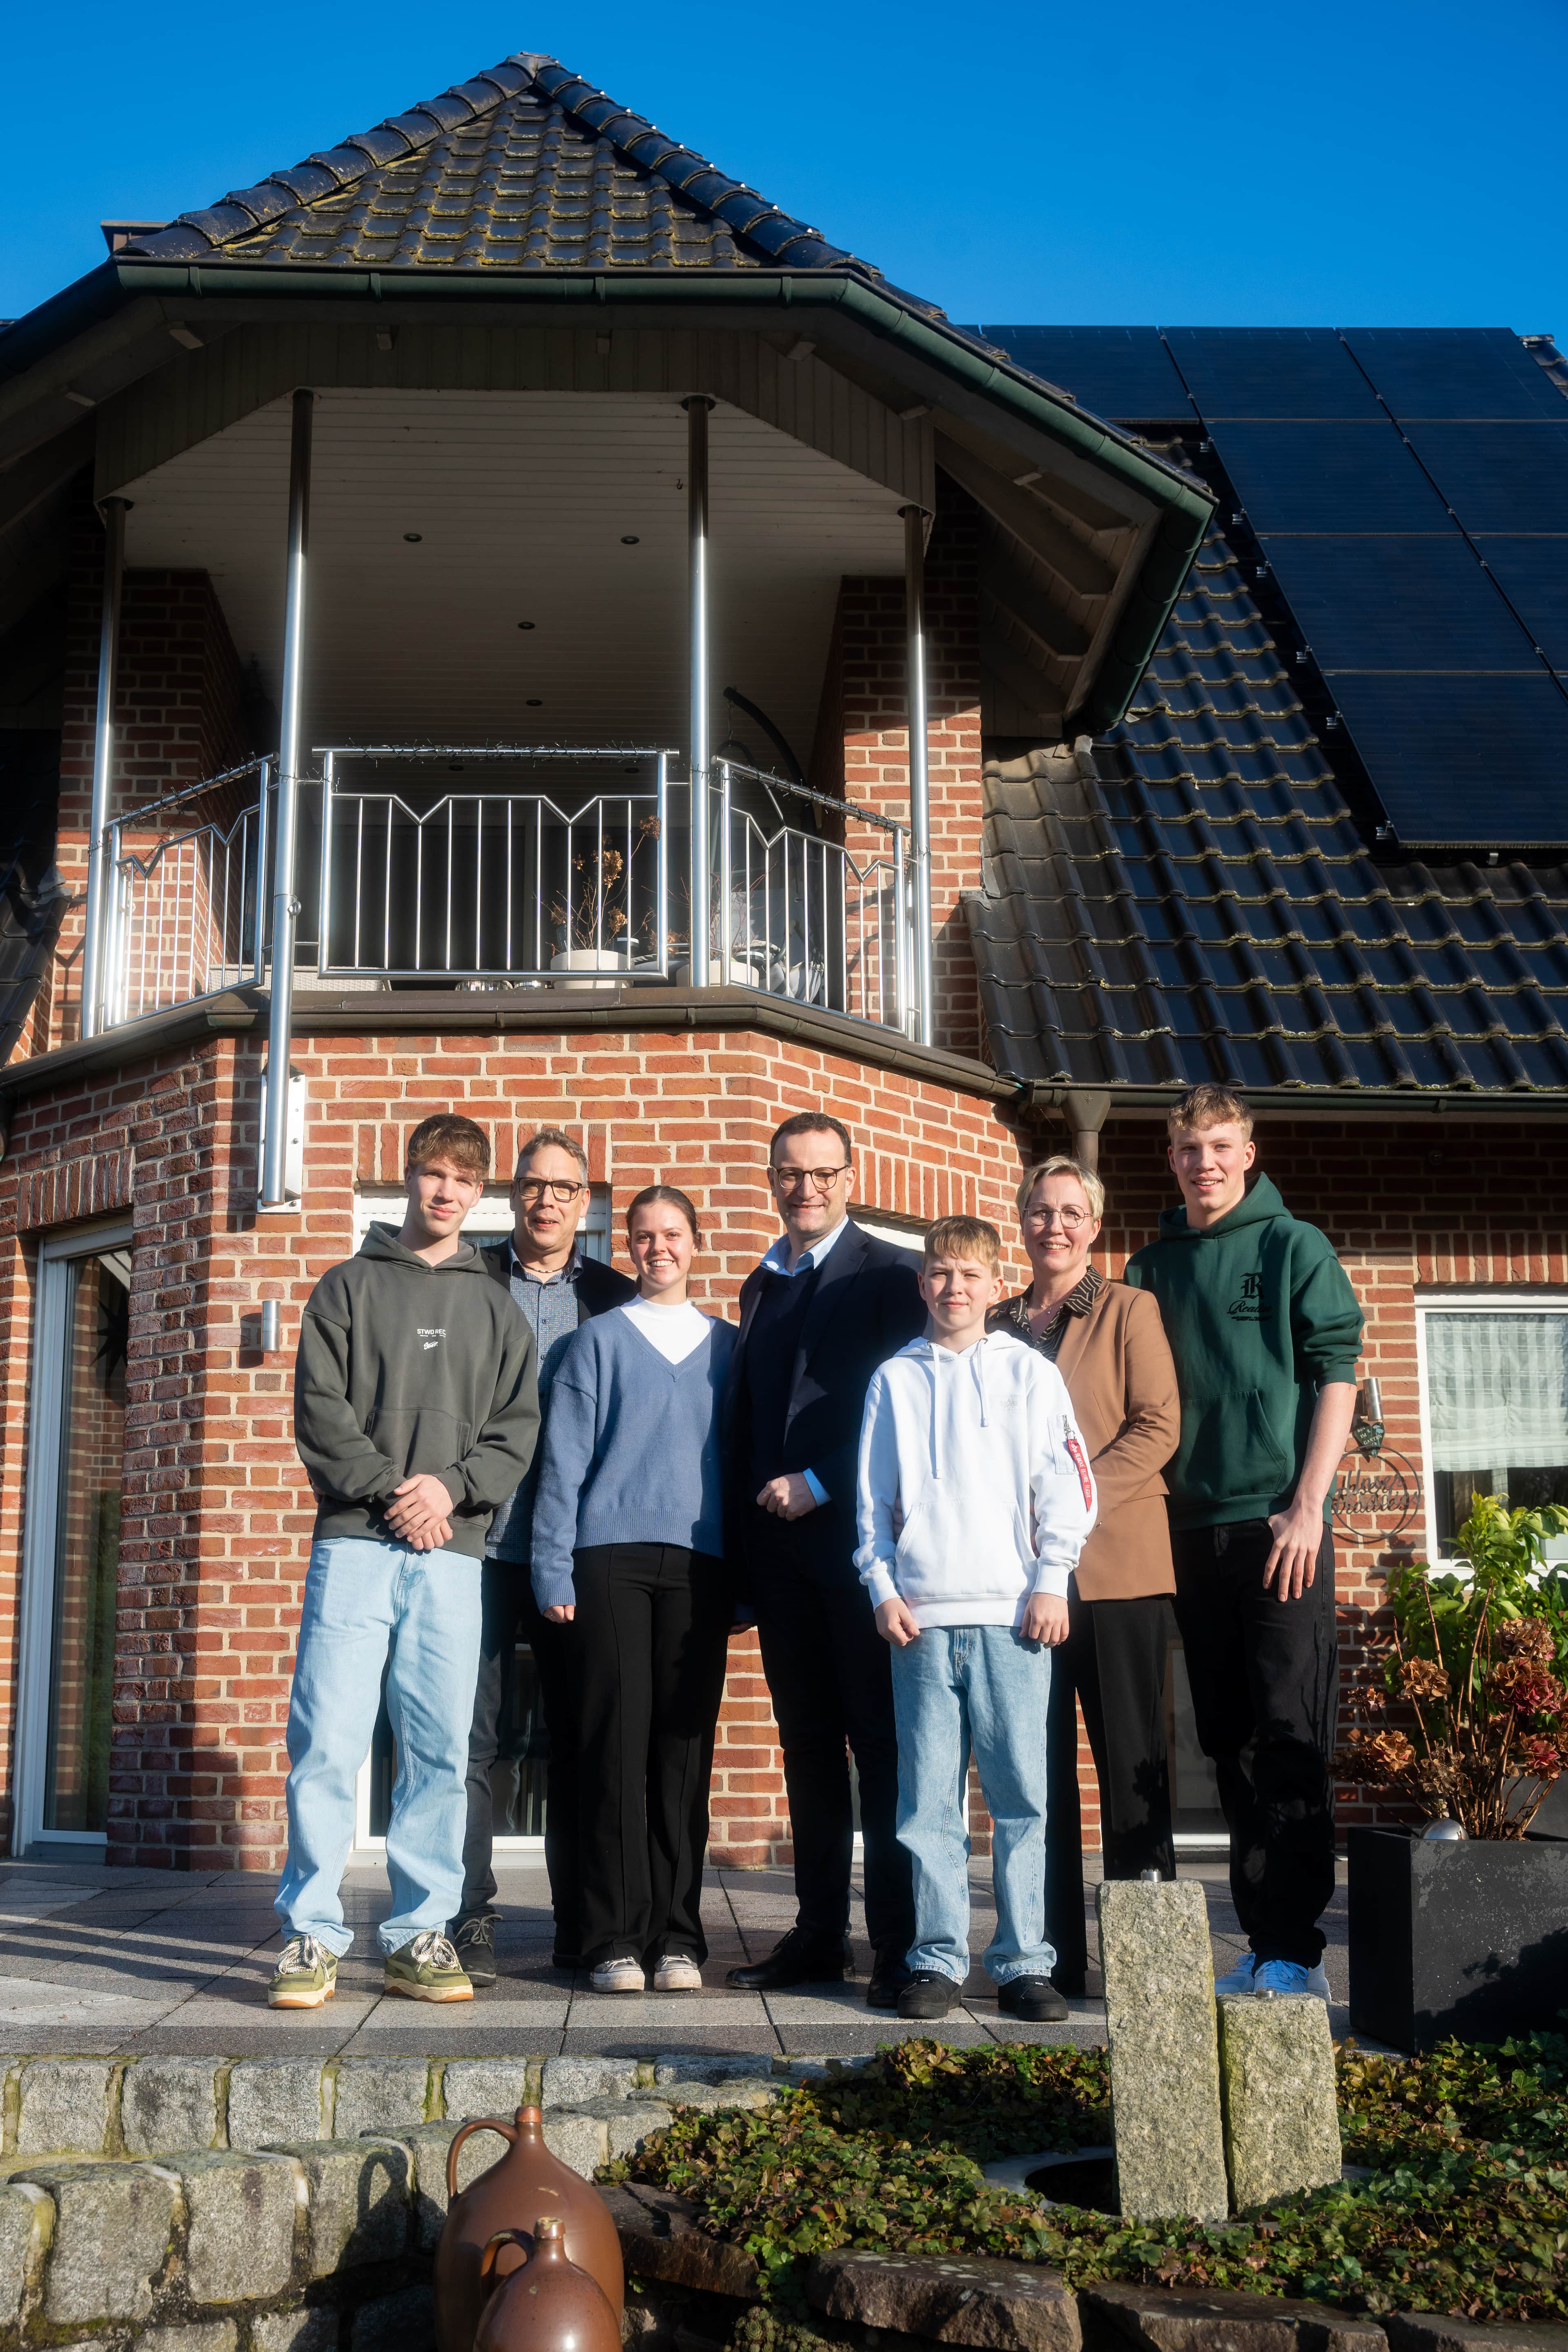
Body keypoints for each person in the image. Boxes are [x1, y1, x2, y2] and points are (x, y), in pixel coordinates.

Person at [270, 1115, 539, 2009]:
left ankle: (421, 1931)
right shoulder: (346, 1288)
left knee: (437, 1747)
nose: (446, 1192)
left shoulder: (496, 1307)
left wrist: (450, 1492)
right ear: (409, 1179)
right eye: (432, 1174)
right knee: (327, 1741)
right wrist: (396, 1491)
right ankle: (310, 1933)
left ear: (480, 1192)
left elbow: (516, 1430)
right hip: (356, 1544)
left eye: (464, 1179)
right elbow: (322, 1412)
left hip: (453, 1556)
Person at [1125, 1083, 1364, 2001]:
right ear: (1172, 1159)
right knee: (1226, 1742)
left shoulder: (1292, 1246)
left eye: (1221, 1146)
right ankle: (1259, 1938)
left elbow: (1337, 1374)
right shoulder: (1151, 1268)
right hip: (1187, 1530)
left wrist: (1310, 1505)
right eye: (1189, 1150)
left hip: (1280, 1526)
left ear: (1249, 1153)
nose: (1205, 1163)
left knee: (1289, 1732)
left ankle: (1294, 1950)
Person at [857, 1215, 1097, 2023]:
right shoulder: (894, 1378)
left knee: (1022, 1797)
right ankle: (935, 1959)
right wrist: (881, 1586)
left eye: (970, 1275)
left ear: (998, 1287)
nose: (953, 1287)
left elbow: (1067, 1485)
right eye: (939, 1273)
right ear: (922, 1283)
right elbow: (871, 1502)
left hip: (1013, 1617)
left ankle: (1026, 1962)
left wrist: (1052, 1578)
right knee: (927, 1803)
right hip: (920, 1619)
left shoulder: (1030, 1376)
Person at [724, 1112, 925, 2009]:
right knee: (805, 1746)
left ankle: (896, 1940)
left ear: (852, 1175)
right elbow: (747, 1418)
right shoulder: (761, 1284)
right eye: (788, 1174)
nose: (804, 1188)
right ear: (772, 1181)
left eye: (821, 1172)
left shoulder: (891, 1275)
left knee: (877, 1748)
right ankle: (816, 1935)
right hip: (780, 1557)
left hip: (859, 1551)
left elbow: (901, 1413)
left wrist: (819, 1479)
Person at [529, 1184, 737, 1993]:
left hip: (700, 1566)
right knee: (613, 1750)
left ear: (696, 1242)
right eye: (643, 1236)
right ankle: (613, 1937)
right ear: (630, 1246)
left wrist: (744, 1583)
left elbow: (741, 1463)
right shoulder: (594, 1346)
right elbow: (563, 1467)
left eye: (673, 1234)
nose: (657, 1248)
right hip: (606, 1560)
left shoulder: (731, 1347)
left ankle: (678, 1937)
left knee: (683, 1753)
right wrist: (551, 1564)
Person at [448, 1130, 635, 1989]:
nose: (547, 1201)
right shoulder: (466, 1280)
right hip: (477, 1546)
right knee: (470, 1741)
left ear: (585, 1201)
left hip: (575, 1554)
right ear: (512, 1195)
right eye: (533, 1185)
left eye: (564, 1188)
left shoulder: (617, 1297)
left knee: (582, 1738)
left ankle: (582, 1921)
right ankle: (469, 1917)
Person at [991, 1156, 1182, 1996]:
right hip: (1023, 1579)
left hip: (1117, 1572)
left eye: (1071, 1212)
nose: (1054, 1225)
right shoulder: (995, 1325)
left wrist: (1071, 1506)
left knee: (1131, 1765)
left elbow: (1158, 1426)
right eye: (1040, 1210)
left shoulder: (1129, 1309)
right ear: (1022, 1220)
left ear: (1094, 1226)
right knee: (1037, 1775)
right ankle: (1052, 1960)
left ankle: (1147, 1970)